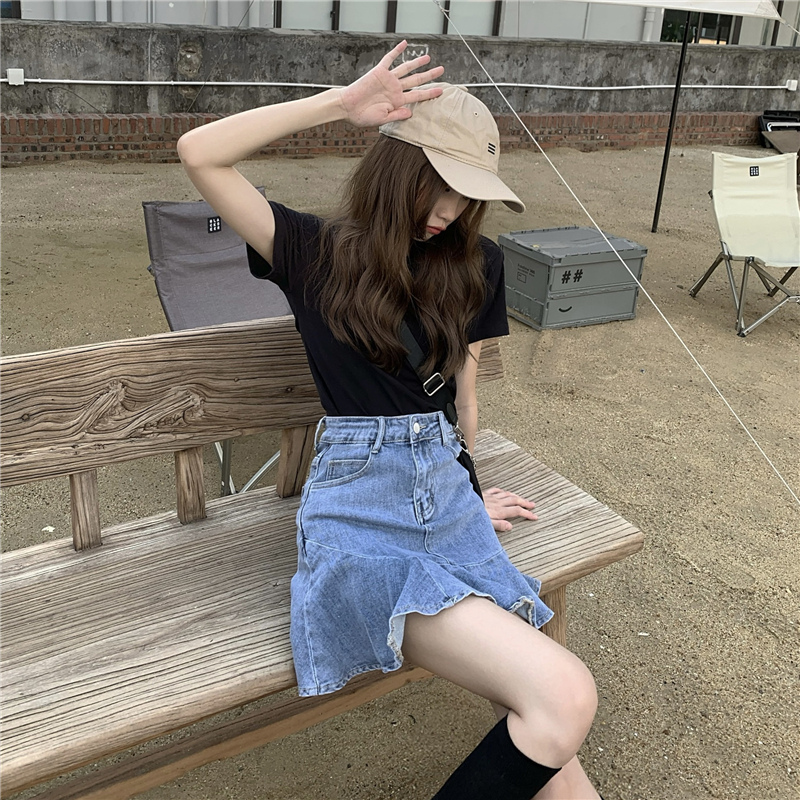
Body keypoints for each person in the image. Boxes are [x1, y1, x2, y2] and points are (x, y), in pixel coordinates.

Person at [178, 40, 601, 800]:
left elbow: (462, 400)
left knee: (547, 721)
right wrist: (341, 104)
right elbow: (199, 153)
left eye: (467, 197)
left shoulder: (477, 264)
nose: (450, 212)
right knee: (563, 696)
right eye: (440, 187)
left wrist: (466, 497)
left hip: (447, 498)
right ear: (398, 168)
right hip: (359, 515)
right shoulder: (311, 251)